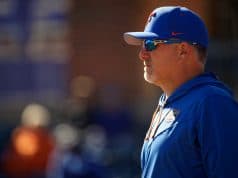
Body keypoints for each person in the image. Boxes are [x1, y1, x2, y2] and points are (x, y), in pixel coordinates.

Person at [123, 6, 238, 178]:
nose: (142, 54)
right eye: (142, 45)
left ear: (182, 50)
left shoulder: (213, 102)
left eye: (150, 44)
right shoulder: (167, 102)